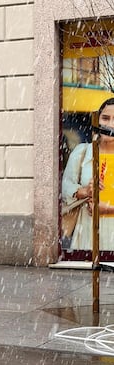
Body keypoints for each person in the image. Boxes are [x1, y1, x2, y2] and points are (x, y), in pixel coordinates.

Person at [62, 97, 114, 250]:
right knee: (87, 264)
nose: (110, 125)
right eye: (105, 118)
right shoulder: (82, 152)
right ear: (97, 120)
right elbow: (64, 187)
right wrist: (84, 191)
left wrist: (107, 209)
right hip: (88, 230)